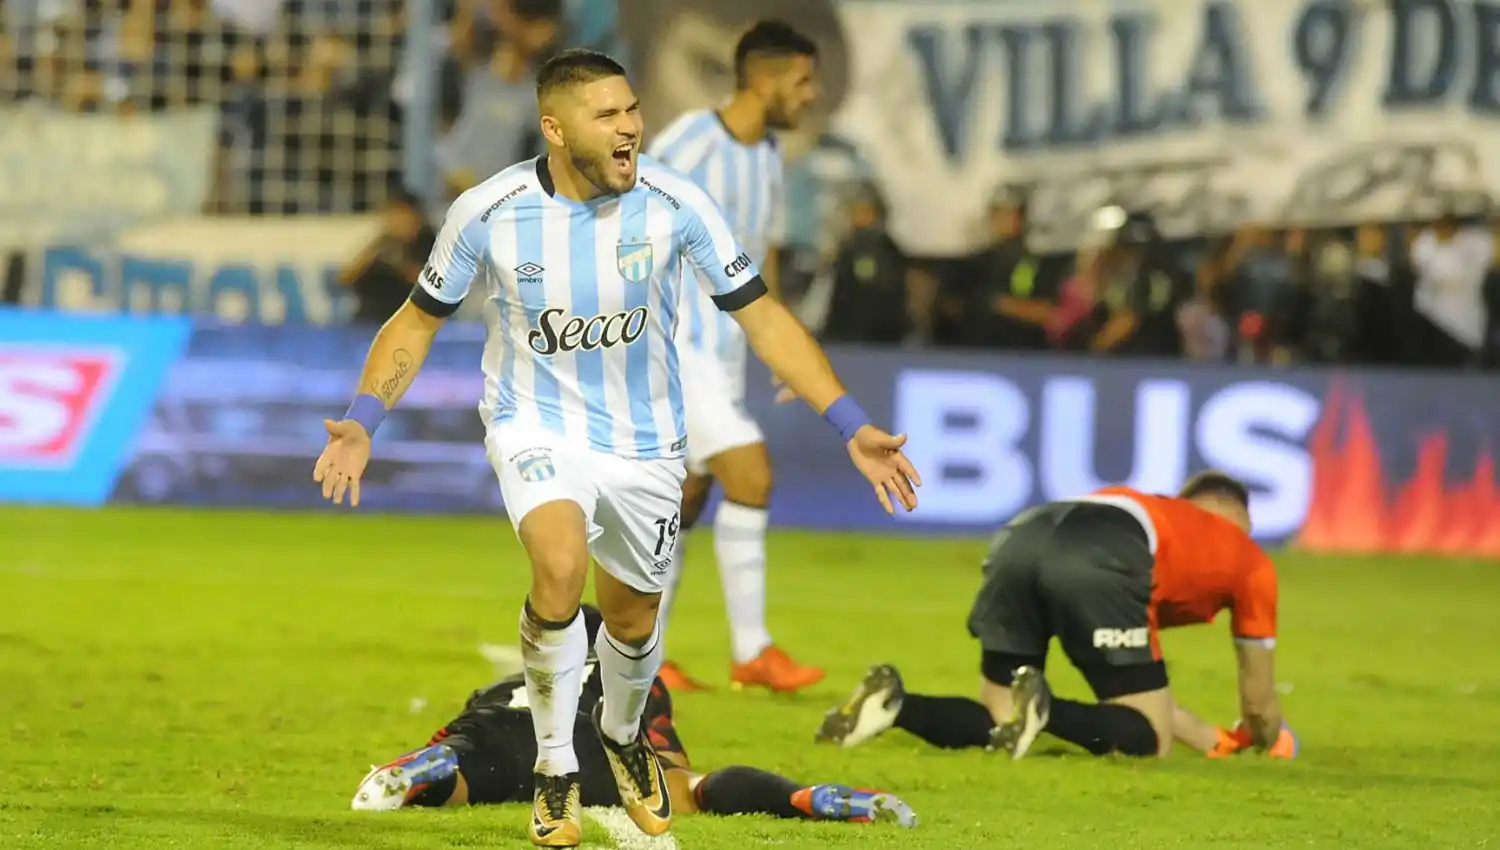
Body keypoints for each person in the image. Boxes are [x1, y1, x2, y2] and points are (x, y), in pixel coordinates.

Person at [311, 48, 921, 849]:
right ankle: (556, 766)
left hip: (645, 444)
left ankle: (625, 735)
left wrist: (850, 423)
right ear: (556, 128)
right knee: (559, 565)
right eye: (608, 115)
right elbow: (417, 319)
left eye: (632, 110)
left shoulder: (675, 204)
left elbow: (763, 317)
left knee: (632, 621)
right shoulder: (490, 212)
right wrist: (364, 417)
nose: (630, 126)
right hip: (534, 424)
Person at [815, 471, 1297, 762]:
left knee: (1000, 714)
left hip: (1023, 532)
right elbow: (1258, 704)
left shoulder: (1155, 512)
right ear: (1239, 518)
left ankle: (896, 704)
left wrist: (1216, 741)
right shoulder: (1249, 558)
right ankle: (1046, 711)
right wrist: (1268, 740)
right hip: (1104, 551)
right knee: (1149, 739)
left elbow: (1153, 701)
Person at [351, 606, 918, 829]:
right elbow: (670, 763)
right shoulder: (638, 675)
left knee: (471, 773)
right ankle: (801, 797)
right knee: (686, 788)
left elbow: (470, 719)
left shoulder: (514, 675)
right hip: (590, 741)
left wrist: (452, 745)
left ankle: (432, 771)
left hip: (503, 723)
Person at [643, 20, 823, 695]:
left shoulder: (769, 153)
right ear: (766, 77)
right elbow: (625, 216)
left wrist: (779, 344)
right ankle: (753, 651)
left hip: (722, 353)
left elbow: (761, 251)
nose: (812, 95)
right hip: (672, 343)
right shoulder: (691, 140)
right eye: (804, 80)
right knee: (751, 472)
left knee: (687, 497)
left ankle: (641, 652)